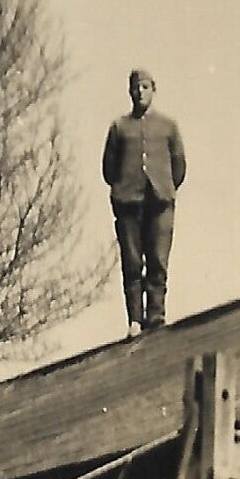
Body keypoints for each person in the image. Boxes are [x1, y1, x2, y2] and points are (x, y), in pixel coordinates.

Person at [102, 68, 187, 335]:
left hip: (160, 201)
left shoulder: (168, 126)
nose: (140, 92)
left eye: (145, 87)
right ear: (130, 91)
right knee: (132, 262)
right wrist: (123, 187)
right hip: (129, 203)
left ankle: (156, 315)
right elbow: (108, 168)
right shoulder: (119, 127)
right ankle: (135, 320)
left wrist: (166, 186)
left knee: (158, 259)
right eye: (136, 88)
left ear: (154, 89)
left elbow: (179, 166)